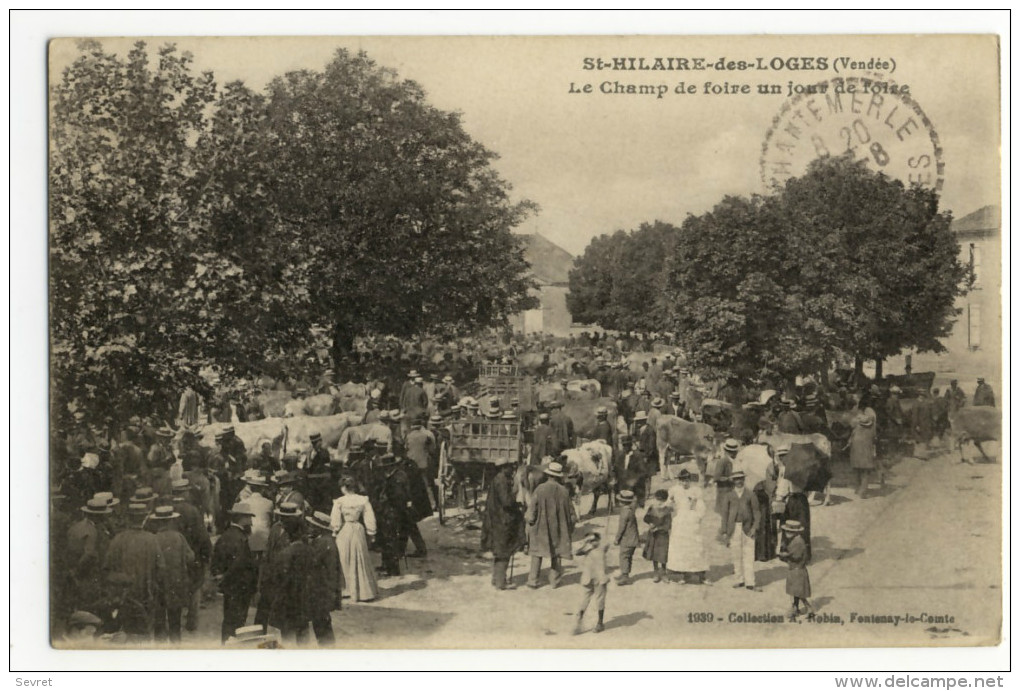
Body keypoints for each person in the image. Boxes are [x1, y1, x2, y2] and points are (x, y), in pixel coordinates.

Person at [103, 502, 164, 639]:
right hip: (145, 595)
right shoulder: (152, 540)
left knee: (124, 632)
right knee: (144, 633)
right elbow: (161, 568)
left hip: (123, 597)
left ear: (128, 519)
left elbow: (107, 568)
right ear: (145, 518)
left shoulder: (117, 539)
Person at [169, 479, 211, 632]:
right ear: (185, 492)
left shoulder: (166, 508)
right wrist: (206, 554)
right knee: (194, 587)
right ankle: (191, 622)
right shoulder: (191, 510)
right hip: (193, 554)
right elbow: (202, 536)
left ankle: (173, 621)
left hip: (171, 555)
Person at [525, 461, 576, 589]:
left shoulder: (540, 489)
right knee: (557, 552)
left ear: (548, 475)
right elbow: (572, 513)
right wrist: (570, 528)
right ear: (559, 476)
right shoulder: (564, 491)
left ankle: (533, 580)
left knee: (537, 553)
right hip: (559, 528)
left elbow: (532, 511)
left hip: (541, 528)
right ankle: (555, 580)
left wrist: (529, 521)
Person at [149, 505, 194, 643]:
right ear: (171, 521)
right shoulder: (179, 537)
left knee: (159, 622)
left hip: (159, 585)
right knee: (175, 624)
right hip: (176, 584)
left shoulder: (153, 538)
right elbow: (190, 557)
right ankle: (176, 650)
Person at [330, 475, 379, 602]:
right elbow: (370, 517)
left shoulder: (340, 501)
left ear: (344, 488)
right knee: (359, 557)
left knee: (344, 558)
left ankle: (346, 589)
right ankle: (362, 591)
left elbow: (335, 519)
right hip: (358, 529)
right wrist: (371, 532)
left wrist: (335, 530)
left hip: (345, 530)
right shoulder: (363, 500)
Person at [480, 459, 526, 590]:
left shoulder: (498, 478)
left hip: (497, 519)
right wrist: (515, 500)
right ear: (503, 467)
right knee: (503, 551)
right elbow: (506, 501)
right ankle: (501, 582)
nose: (512, 469)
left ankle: (496, 578)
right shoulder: (502, 481)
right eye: (510, 467)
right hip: (502, 521)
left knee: (499, 550)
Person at [66, 497, 113, 610]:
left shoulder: (76, 526)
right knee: (90, 606)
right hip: (86, 576)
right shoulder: (92, 531)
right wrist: (78, 572)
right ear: (98, 516)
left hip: (72, 570)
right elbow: (89, 554)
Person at [302, 511, 340, 646]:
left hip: (321, 592)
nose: (309, 528)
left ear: (319, 528)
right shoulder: (322, 541)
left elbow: (330, 572)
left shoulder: (324, 543)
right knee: (320, 624)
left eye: (311, 526)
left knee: (322, 626)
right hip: (319, 591)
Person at [667, 468, 708, 584]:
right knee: (681, 548)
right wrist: (671, 507)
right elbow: (669, 503)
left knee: (696, 547)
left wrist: (698, 516)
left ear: (690, 480)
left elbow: (701, 506)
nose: (684, 483)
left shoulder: (696, 490)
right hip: (680, 521)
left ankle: (700, 575)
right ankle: (683, 574)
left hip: (692, 521)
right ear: (679, 481)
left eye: (686, 480)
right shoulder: (674, 490)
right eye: (682, 480)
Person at [374, 453, 412, 577]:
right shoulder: (396, 475)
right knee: (387, 539)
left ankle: (393, 568)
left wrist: (386, 502)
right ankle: (386, 564)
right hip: (390, 512)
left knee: (391, 540)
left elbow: (399, 497)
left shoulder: (397, 478)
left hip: (393, 513)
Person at [722, 470, 761, 591]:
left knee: (748, 555)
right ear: (733, 481)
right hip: (733, 528)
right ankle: (739, 579)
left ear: (744, 480)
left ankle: (750, 582)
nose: (739, 481)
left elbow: (757, 512)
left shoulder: (750, 494)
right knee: (736, 555)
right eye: (736, 479)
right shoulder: (729, 496)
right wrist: (724, 531)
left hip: (748, 528)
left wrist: (755, 527)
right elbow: (725, 514)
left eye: (741, 478)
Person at [573, 531, 609, 635]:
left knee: (600, 600)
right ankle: (578, 623)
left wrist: (597, 542)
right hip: (589, 578)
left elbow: (606, 544)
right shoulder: (586, 549)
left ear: (598, 540)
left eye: (593, 540)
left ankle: (599, 623)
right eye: (589, 540)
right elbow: (577, 552)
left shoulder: (602, 546)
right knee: (584, 600)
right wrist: (587, 546)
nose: (592, 542)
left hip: (600, 578)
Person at [778, 520, 815, 621]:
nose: (787, 533)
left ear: (796, 532)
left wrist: (784, 555)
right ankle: (796, 608)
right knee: (796, 592)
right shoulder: (796, 540)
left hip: (797, 570)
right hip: (795, 569)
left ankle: (806, 608)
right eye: (786, 531)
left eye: (789, 531)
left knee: (798, 593)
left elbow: (796, 556)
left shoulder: (798, 542)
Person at [847, 397, 878, 498]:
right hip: (867, 442)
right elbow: (874, 432)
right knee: (866, 468)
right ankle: (863, 491)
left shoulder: (856, 418)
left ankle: (857, 488)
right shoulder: (872, 416)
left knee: (857, 466)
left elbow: (851, 425)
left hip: (856, 442)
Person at [642, 489, 671, 583]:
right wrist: (650, 522)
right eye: (657, 499)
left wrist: (658, 528)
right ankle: (655, 572)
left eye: (661, 500)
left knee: (663, 554)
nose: (659, 502)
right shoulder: (652, 508)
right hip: (653, 535)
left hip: (663, 535)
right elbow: (646, 518)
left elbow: (668, 525)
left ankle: (664, 572)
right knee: (654, 554)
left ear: (665, 500)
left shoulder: (667, 510)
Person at [613, 489, 640, 585]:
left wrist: (617, 538)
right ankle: (626, 574)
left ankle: (625, 577)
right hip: (633, 538)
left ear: (622, 502)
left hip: (627, 539)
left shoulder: (624, 512)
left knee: (623, 556)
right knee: (628, 556)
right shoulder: (631, 509)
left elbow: (621, 527)